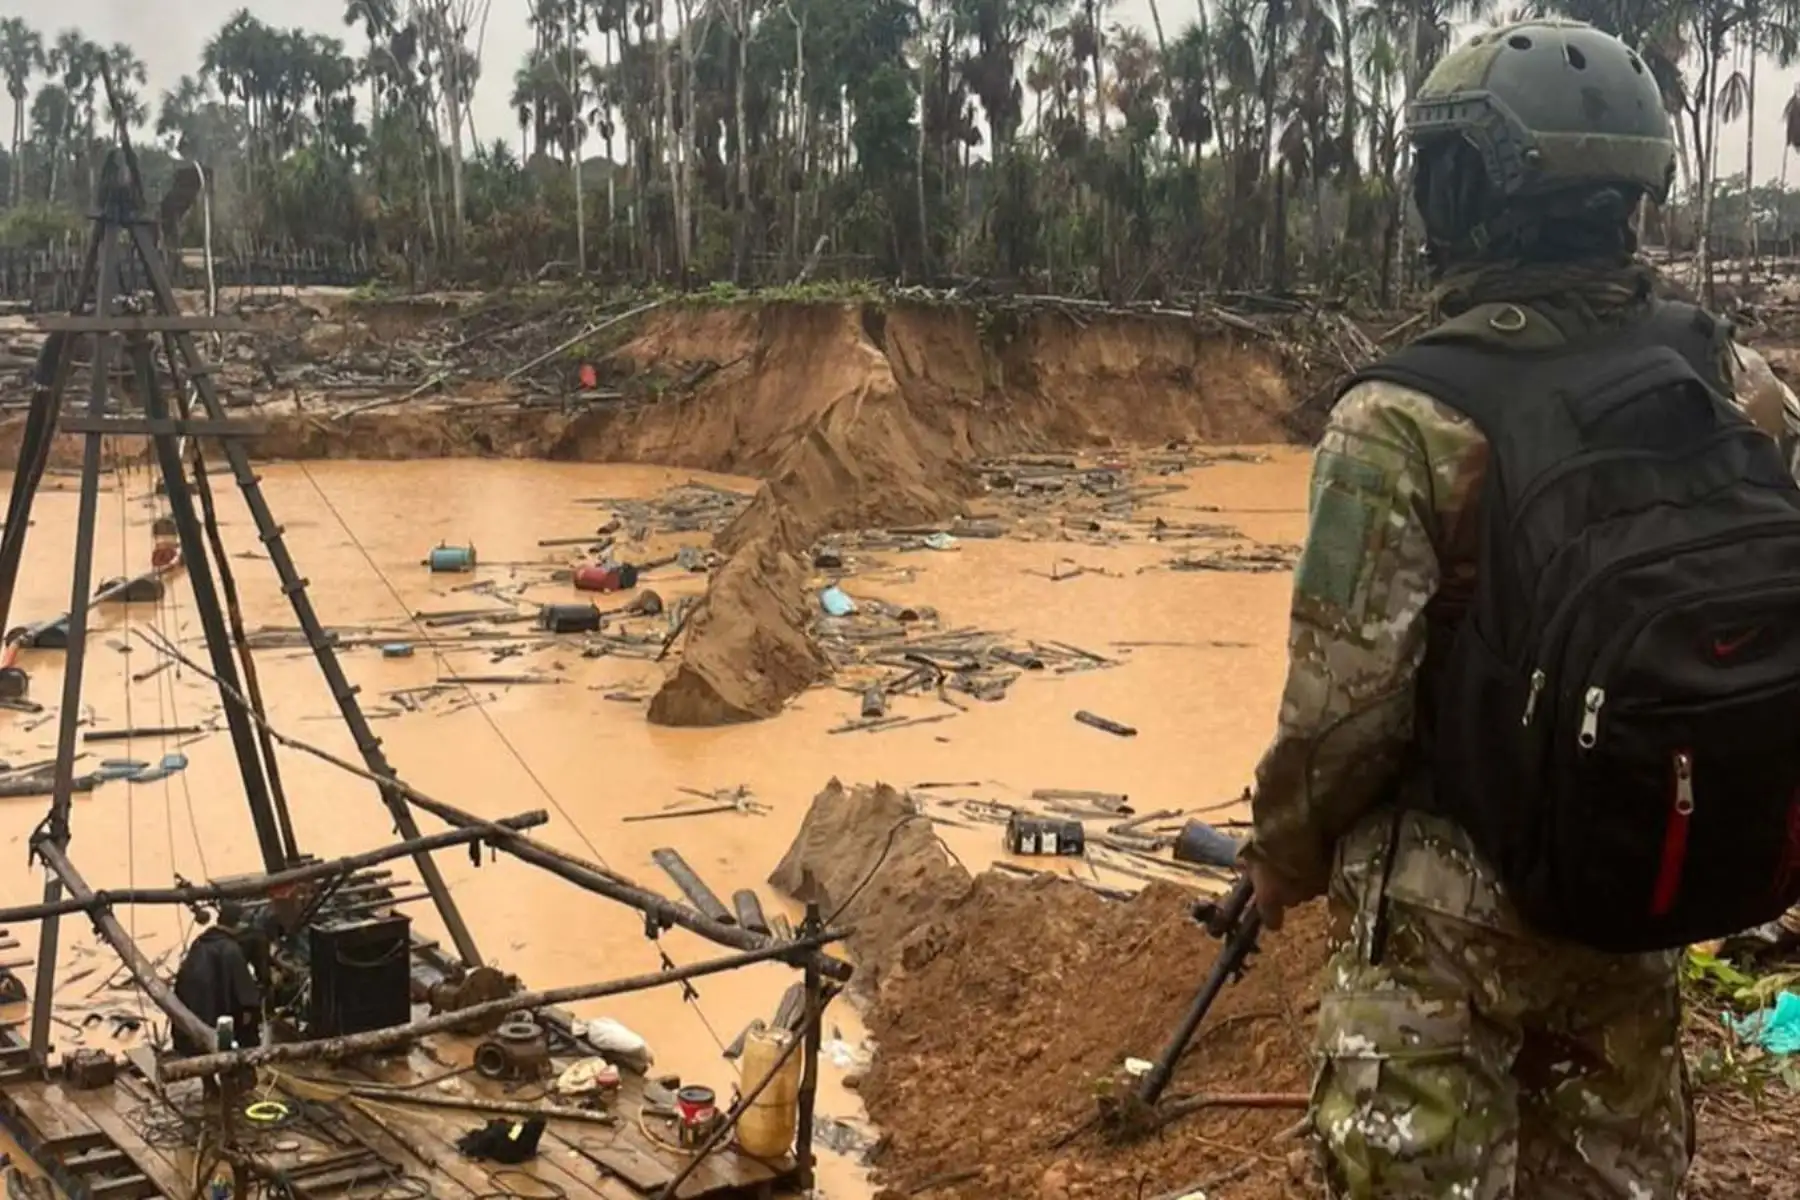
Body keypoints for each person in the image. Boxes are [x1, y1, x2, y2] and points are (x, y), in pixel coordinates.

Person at [1240, 19, 1800, 1200]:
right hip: (1632, 877)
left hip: (1446, 910)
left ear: (1469, 193)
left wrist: (1282, 857)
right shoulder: (1725, 375)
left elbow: (1344, 716)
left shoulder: (1401, 417)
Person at [172, 902, 264, 1077]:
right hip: (218, 1012)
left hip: (196, 1009)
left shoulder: (200, 942)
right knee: (235, 1038)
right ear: (238, 923)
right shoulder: (230, 949)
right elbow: (244, 990)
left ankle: (209, 1083)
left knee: (202, 1048)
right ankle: (236, 1078)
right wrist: (251, 1008)